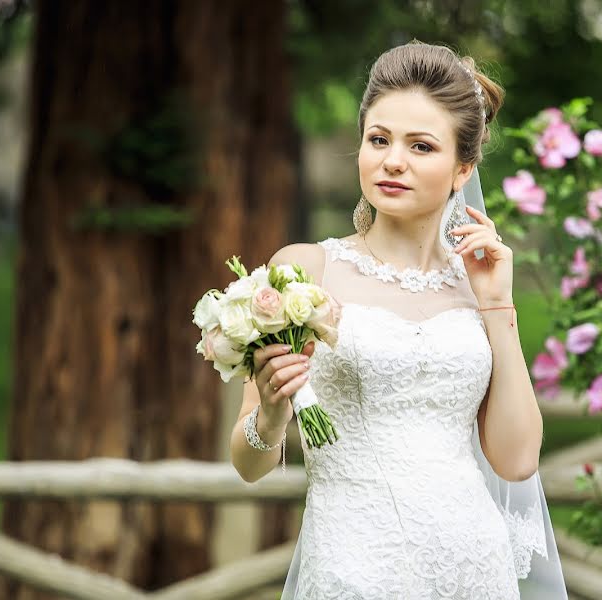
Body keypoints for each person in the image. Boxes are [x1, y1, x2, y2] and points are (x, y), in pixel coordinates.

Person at [230, 40, 568, 599]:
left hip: (475, 569)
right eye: (379, 139)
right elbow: (249, 464)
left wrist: (497, 305)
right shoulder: (303, 272)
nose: (392, 160)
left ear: (462, 169)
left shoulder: (476, 286)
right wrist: (269, 413)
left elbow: (516, 460)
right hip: (353, 568)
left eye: (421, 146)